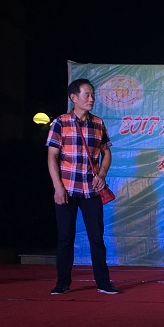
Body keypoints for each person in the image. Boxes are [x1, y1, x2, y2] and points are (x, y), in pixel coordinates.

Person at [46, 78, 119, 295]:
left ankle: (103, 282)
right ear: (73, 98)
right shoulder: (60, 123)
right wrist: (58, 187)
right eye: (87, 94)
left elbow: (107, 152)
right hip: (67, 189)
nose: (91, 98)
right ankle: (62, 283)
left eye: (93, 94)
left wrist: (102, 174)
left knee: (96, 237)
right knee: (65, 238)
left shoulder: (98, 123)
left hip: (92, 190)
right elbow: (52, 156)